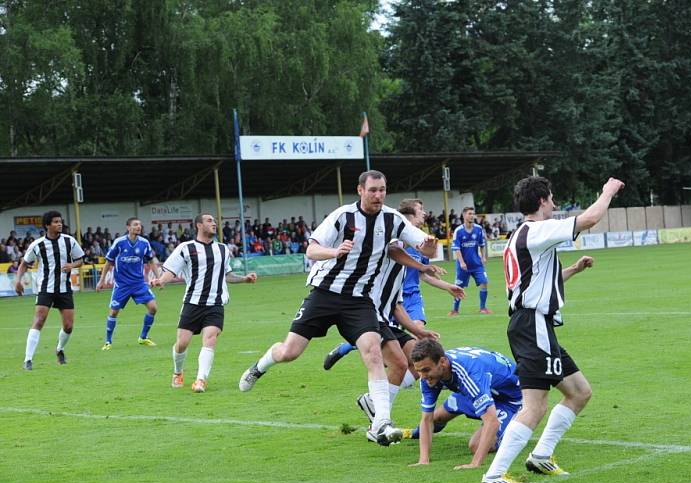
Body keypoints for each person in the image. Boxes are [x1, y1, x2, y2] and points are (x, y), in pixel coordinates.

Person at [238, 170, 438, 446]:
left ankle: (381, 421)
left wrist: (428, 248)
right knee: (289, 352)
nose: (378, 195)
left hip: (360, 300)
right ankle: (259, 366)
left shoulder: (393, 219)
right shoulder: (343, 216)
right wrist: (335, 252)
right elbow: (311, 250)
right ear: (360, 190)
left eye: (382, 190)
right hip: (325, 294)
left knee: (373, 352)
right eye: (373, 190)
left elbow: (422, 246)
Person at [480, 175, 624, 483]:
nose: (555, 204)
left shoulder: (521, 235)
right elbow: (590, 218)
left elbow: (535, 282)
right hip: (532, 327)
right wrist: (607, 191)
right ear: (543, 200)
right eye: (552, 198)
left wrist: (572, 270)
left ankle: (542, 455)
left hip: (536, 326)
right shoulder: (537, 230)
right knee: (535, 405)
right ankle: (494, 474)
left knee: (579, 392)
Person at [323, 198, 464, 369]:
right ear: (409, 214)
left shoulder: (421, 242)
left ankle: (415, 372)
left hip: (412, 297)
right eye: (421, 209)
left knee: (418, 333)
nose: (425, 213)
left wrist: (448, 286)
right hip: (390, 299)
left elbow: (424, 276)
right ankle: (348, 347)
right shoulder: (393, 238)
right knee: (380, 341)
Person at [151, 214, 257, 392]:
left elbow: (227, 275)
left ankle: (201, 380)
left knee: (210, 339)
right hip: (192, 303)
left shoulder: (223, 249)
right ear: (199, 225)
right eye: (209, 221)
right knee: (182, 343)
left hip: (215, 304)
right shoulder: (186, 248)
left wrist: (244, 279)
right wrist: (161, 280)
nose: (214, 224)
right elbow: (171, 271)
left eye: (215, 221)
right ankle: (178, 372)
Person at [406, 340, 522, 470]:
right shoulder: (430, 374)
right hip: (477, 389)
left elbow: (492, 421)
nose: (422, 376)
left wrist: (475, 463)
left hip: (510, 399)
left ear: (443, 362)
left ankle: (517, 424)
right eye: (419, 371)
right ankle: (409, 433)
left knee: (476, 445)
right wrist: (423, 460)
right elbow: (426, 419)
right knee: (435, 418)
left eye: (426, 370)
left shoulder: (469, 375)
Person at [14, 210, 84, 370]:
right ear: (47, 225)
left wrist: (72, 265)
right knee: (39, 321)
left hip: (65, 289)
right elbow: (24, 264)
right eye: (55, 222)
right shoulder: (37, 245)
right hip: (45, 288)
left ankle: (59, 349)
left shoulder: (69, 241)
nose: (59, 224)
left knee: (68, 326)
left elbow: (80, 259)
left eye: (60, 221)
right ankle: (28, 360)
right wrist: (18, 281)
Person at [96, 217, 162, 350]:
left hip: (139, 284)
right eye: (136, 225)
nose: (139, 227)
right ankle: (108, 342)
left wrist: (159, 278)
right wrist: (101, 281)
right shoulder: (119, 243)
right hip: (122, 285)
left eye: (140, 225)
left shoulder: (144, 243)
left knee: (153, 308)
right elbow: (108, 262)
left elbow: (151, 261)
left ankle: (143, 338)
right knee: (113, 312)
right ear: (128, 227)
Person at [449, 206, 491, 315]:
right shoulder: (458, 231)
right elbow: (456, 248)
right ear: (464, 215)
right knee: (459, 287)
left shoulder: (478, 229)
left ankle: (483, 308)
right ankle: (455, 310)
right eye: (469, 213)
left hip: (477, 264)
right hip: (464, 266)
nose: (472, 215)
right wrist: (462, 262)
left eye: (473, 213)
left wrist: (483, 256)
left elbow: (482, 244)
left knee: (484, 282)